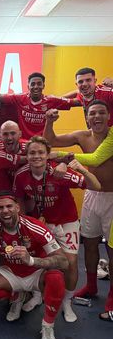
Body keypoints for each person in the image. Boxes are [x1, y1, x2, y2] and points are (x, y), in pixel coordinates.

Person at [13, 136, 101, 321]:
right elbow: (19, 199)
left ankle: (67, 303)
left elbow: (96, 185)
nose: (36, 156)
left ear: (48, 156)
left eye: (40, 153)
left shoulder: (60, 173)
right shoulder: (21, 175)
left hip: (66, 222)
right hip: (39, 223)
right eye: (32, 153)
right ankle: (37, 295)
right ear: (27, 156)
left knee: (70, 263)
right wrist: (23, 223)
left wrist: (80, 169)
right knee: (35, 261)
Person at [0, 191, 68, 339]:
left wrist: (32, 260)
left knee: (56, 277)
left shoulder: (36, 227)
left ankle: (48, 326)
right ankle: (17, 296)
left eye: (9, 206)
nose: (5, 211)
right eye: (0, 207)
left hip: (36, 272)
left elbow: (63, 261)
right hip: (13, 273)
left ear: (17, 208)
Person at [43, 100, 113, 320]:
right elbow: (50, 140)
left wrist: (63, 156)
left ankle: (111, 295)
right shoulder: (82, 135)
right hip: (92, 196)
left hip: (112, 197)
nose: (97, 117)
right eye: (92, 113)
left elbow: (95, 158)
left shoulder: (112, 136)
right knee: (90, 244)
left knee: (111, 251)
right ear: (87, 116)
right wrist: (49, 121)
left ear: (109, 115)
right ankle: (91, 285)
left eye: (102, 112)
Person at [0, 72, 76, 139]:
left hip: (42, 143)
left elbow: (76, 102)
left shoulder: (51, 100)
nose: (36, 86)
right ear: (28, 86)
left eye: (39, 84)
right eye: (33, 84)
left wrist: (80, 91)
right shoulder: (20, 98)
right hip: (23, 143)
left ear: (43, 86)